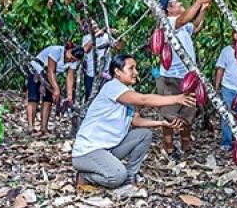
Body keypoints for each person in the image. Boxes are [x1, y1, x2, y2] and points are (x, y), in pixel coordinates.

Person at [72, 54, 193, 189]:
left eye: (136, 68)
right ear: (117, 72)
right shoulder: (112, 87)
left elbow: (136, 121)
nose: (136, 72)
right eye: (131, 69)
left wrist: (163, 123)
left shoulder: (128, 91)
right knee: (116, 177)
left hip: (109, 148)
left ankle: (130, 177)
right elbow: (143, 100)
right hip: (88, 151)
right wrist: (176, 99)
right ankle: (85, 176)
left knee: (144, 135)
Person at [156, 0, 212, 156]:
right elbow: (183, 20)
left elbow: (195, 27)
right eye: (175, 3)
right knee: (169, 113)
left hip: (188, 77)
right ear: (168, 10)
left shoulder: (182, 26)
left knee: (187, 112)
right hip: (170, 77)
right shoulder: (168, 23)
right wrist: (198, 0)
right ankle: (169, 145)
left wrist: (202, 10)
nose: (180, 3)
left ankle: (185, 144)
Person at [26, 43, 84, 134]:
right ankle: (30, 127)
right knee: (33, 98)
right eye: (71, 57)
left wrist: (69, 96)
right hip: (37, 70)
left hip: (49, 77)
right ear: (68, 50)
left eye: (74, 60)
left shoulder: (74, 61)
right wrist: (56, 89)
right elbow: (50, 71)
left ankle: (44, 128)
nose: (71, 60)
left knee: (48, 100)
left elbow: (70, 77)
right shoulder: (56, 51)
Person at [214, 30, 237, 151]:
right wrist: (216, 87)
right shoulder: (226, 50)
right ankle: (227, 142)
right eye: (236, 32)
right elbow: (220, 69)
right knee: (226, 116)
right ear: (232, 35)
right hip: (228, 88)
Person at [81, 20, 121, 100]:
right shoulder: (86, 38)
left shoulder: (106, 36)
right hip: (92, 74)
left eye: (95, 23)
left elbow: (118, 47)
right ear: (87, 28)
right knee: (90, 98)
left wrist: (118, 36)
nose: (95, 26)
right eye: (91, 25)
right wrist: (96, 36)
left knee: (107, 98)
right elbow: (85, 49)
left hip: (106, 73)